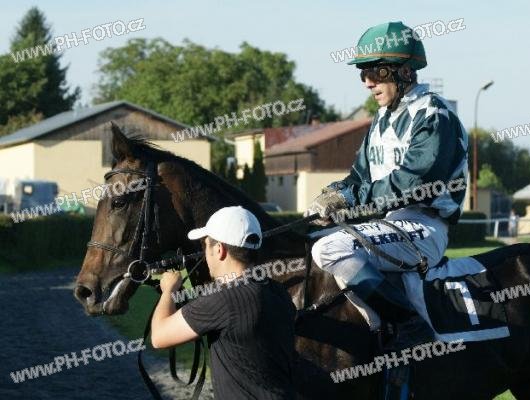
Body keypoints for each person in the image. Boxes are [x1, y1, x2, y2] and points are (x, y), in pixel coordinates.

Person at [306, 21, 469, 391]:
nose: (367, 81)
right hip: (393, 225)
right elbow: (359, 178)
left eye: (376, 72)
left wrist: (348, 199)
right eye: (363, 73)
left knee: (331, 248)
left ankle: (410, 325)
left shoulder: (434, 116)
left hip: (425, 227)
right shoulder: (382, 120)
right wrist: (331, 195)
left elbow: (414, 183)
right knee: (311, 242)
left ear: (405, 72)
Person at [151, 206, 296, 400]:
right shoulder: (278, 291)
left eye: (206, 245)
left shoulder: (223, 301)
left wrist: (168, 290)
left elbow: (159, 337)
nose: (205, 254)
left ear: (219, 250)